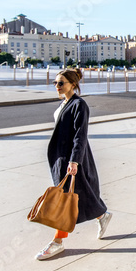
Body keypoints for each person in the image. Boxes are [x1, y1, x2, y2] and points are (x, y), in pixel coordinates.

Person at [36, 68, 112, 260]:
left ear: (73, 84)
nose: (57, 86)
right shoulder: (65, 103)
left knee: (63, 201)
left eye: (61, 83)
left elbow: (80, 135)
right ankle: (101, 215)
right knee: (79, 195)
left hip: (71, 159)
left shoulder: (80, 105)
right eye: (55, 83)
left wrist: (74, 161)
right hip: (61, 158)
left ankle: (57, 242)